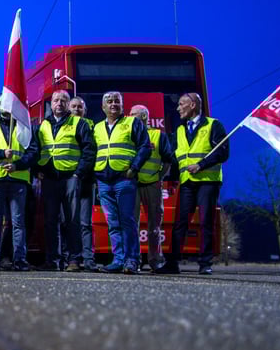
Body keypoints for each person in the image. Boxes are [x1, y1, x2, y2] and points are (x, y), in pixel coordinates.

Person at [155, 93, 229, 276]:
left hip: (208, 182)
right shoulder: (179, 130)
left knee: (206, 222)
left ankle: (205, 264)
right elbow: (172, 155)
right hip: (187, 182)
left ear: (193, 105)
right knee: (180, 223)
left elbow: (223, 152)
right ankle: (172, 263)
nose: (178, 108)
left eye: (182, 104)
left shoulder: (214, 125)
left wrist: (201, 165)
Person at [34, 90, 95, 271]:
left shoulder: (79, 123)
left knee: (72, 220)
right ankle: (52, 261)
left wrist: (78, 174)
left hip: (70, 177)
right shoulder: (42, 125)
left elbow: (88, 151)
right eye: (56, 100)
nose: (59, 103)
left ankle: (74, 260)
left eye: (63, 100)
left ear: (68, 104)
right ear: (50, 104)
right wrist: (38, 170)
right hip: (50, 179)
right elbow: (35, 150)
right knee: (51, 221)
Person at [92, 92, 151, 274]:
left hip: (124, 180)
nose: (113, 104)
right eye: (109, 102)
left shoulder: (132, 123)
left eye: (117, 101)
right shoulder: (97, 127)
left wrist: (134, 168)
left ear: (122, 105)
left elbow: (145, 146)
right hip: (103, 181)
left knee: (127, 221)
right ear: (103, 107)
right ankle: (118, 260)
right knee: (113, 223)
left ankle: (131, 260)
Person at [0, 98, 39, 271]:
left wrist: (17, 165)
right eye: (3, 103)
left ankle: (19, 260)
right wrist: (2, 153)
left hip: (18, 178)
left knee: (18, 222)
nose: (6, 106)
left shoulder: (24, 128)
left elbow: (33, 152)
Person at [129, 104, 175, 271]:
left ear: (143, 117)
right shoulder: (129, 135)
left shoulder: (157, 135)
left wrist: (159, 177)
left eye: (133, 114)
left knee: (154, 227)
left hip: (152, 185)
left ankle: (155, 261)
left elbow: (168, 159)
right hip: (133, 184)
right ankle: (134, 260)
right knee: (131, 224)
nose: (129, 116)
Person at [68, 96, 98, 271]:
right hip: (69, 180)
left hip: (86, 180)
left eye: (80, 107)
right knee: (69, 222)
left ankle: (88, 259)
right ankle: (71, 258)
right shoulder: (64, 125)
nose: (77, 109)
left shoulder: (92, 126)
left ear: (85, 110)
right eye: (74, 106)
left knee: (86, 222)